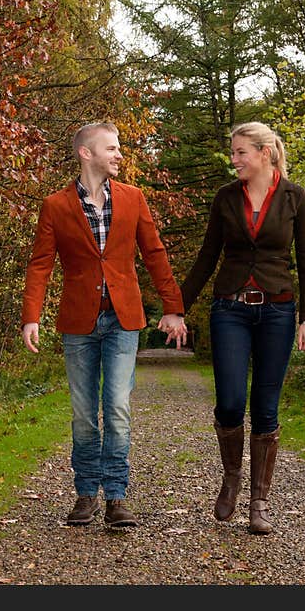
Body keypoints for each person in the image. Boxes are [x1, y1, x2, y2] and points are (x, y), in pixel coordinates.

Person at [21, 122, 187, 527]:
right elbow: (41, 264)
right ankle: (84, 495)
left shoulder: (133, 198)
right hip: (78, 322)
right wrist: (31, 316)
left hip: (122, 319)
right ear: (86, 153)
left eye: (119, 148)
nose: (119, 155)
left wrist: (173, 307)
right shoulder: (55, 206)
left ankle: (116, 496)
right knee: (83, 413)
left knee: (115, 406)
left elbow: (155, 253)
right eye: (111, 148)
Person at [179, 121, 305, 535]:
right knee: (230, 401)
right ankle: (231, 478)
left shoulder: (295, 198)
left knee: (266, 406)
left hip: (277, 311)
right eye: (233, 152)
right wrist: (177, 307)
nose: (234, 160)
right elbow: (207, 255)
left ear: (264, 153)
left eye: (241, 152)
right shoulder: (225, 198)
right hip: (230, 310)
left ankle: (259, 501)